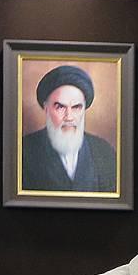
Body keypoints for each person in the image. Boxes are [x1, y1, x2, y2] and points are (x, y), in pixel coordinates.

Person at [20, 64, 118, 193]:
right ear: (46, 108)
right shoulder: (24, 151)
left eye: (76, 107)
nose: (69, 117)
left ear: (84, 109)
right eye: (60, 107)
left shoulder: (104, 151)